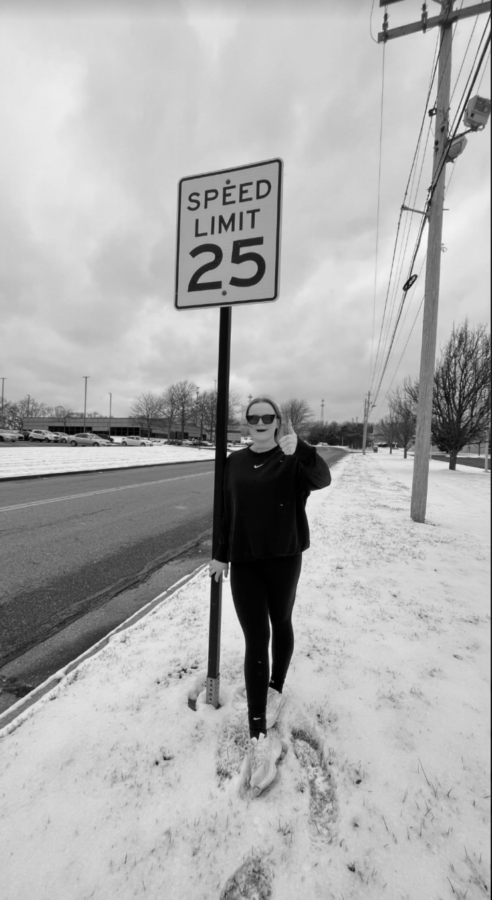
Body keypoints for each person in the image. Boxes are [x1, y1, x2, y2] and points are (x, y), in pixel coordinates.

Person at [209, 396, 331, 797]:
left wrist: (306, 448)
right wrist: (219, 555)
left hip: (284, 558)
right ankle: (258, 736)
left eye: (267, 417)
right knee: (254, 639)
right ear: (245, 424)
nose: (260, 422)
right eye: (253, 417)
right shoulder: (234, 462)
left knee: (280, 623)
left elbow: (322, 478)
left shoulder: (293, 455)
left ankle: (276, 685)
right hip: (244, 563)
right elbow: (224, 512)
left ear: (278, 422)